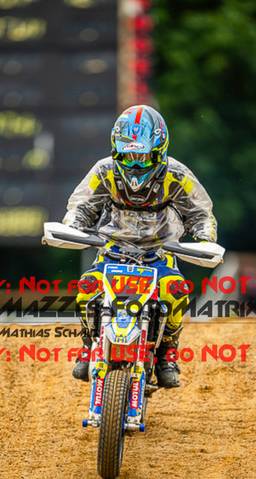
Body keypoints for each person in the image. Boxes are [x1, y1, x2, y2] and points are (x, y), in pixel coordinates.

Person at [63, 104, 217, 388]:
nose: (135, 165)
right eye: (128, 156)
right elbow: (81, 204)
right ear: (116, 151)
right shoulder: (104, 170)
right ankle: (87, 344)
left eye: (142, 157)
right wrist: (73, 227)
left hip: (159, 254)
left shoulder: (177, 175)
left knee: (175, 293)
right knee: (87, 288)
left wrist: (204, 240)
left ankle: (166, 353)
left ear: (159, 151)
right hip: (112, 252)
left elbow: (201, 213)